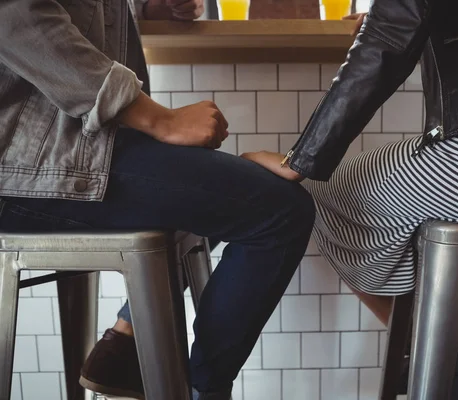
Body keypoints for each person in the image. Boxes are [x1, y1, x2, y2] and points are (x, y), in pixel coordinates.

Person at [0, 1, 315, 399]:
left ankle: (124, 342)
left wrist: (150, 7)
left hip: (70, 145)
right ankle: (203, 390)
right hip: (23, 163)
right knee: (280, 211)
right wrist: (157, 119)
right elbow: (16, 15)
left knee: (223, 198)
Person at [242, 0, 458, 331]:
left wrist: (300, 162)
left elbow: (383, 44)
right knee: (398, 212)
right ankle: (439, 350)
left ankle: (436, 349)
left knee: (313, 194)